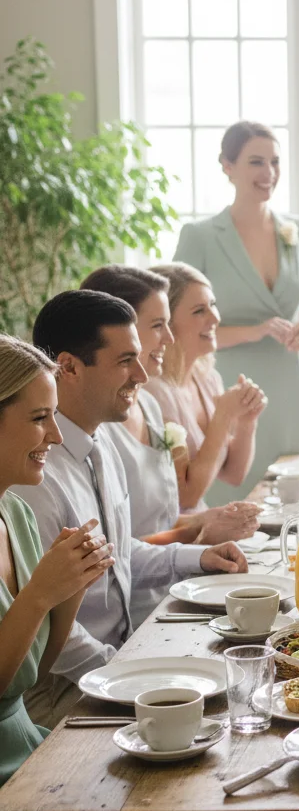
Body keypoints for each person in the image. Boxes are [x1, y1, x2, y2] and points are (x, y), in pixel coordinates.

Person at [0, 333, 271, 811]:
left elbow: (32, 666)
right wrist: (42, 596)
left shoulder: (15, 513)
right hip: (9, 791)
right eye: (38, 418)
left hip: (29, 752)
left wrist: (66, 594)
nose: (55, 436)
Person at [14, 290, 248, 727]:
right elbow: (46, 633)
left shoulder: (99, 445)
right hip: (61, 689)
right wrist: (125, 672)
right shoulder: (34, 476)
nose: (141, 375)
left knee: (243, 674)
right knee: (228, 708)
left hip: (116, 658)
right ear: (68, 367)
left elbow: (119, 557)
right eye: (125, 361)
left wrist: (198, 557)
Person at [81, 265, 261, 626]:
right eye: (158, 325)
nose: (168, 339)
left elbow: (167, 510)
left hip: (178, 584)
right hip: (138, 608)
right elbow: (118, 545)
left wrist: (206, 525)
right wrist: (198, 532)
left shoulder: (145, 405)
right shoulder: (99, 427)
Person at [174, 120, 299, 500]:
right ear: (227, 165)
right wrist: (255, 330)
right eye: (256, 161)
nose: (269, 173)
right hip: (231, 388)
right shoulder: (199, 237)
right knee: (231, 505)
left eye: (274, 161)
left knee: (297, 501)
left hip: (292, 386)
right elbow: (179, 329)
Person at [146, 262, 267, 512]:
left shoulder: (207, 376)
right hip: (172, 533)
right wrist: (223, 416)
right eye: (199, 310)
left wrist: (246, 421)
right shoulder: (155, 393)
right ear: (166, 322)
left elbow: (234, 474)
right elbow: (185, 498)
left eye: (213, 305)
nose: (216, 318)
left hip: (203, 521)